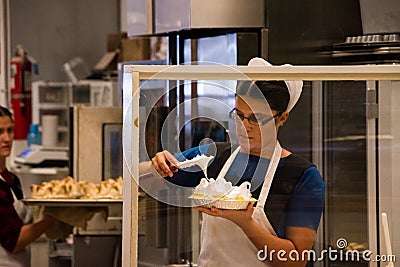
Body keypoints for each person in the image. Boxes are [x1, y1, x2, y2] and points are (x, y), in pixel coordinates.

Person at [149, 58, 325, 267]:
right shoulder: (214, 155)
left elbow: (295, 261)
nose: (244, 126)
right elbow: (148, 179)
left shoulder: (302, 176)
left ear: (282, 118)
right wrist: (156, 163)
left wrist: (246, 223)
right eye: (239, 115)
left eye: (256, 119)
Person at [0, 106, 56, 266]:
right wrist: (52, 219)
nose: (6, 138)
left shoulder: (11, 179)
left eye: (9, 131)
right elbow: (15, 243)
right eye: (0, 132)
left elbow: (21, 223)